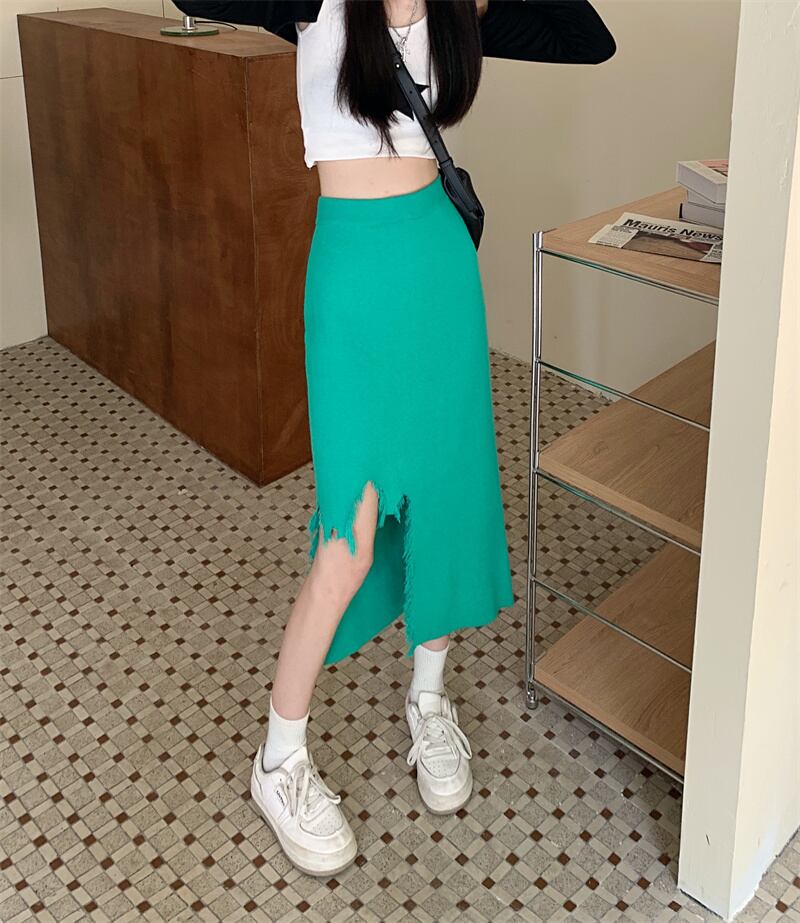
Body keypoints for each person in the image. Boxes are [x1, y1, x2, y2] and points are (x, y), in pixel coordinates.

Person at [172, 0, 616, 878]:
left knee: (448, 494)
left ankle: (428, 699)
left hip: (439, 268)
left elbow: (587, 39)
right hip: (354, 279)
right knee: (352, 533)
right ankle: (279, 761)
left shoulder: (458, 10)